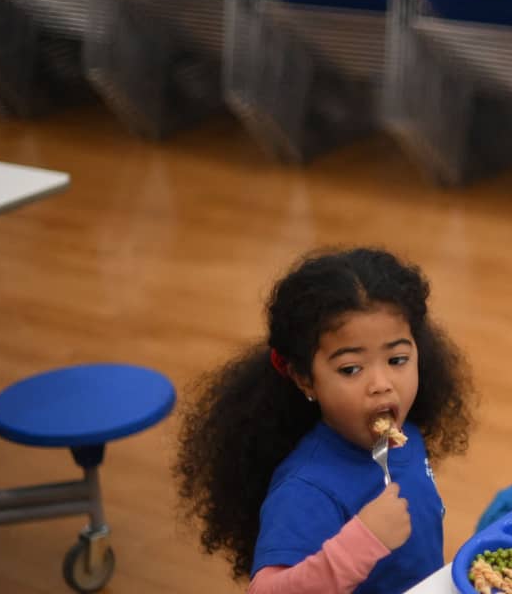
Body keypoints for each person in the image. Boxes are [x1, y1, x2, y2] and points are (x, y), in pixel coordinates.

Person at [175, 247, 474, 593]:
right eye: (351, 369)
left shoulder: (405, 434)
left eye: (397, 359)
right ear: (304, 378)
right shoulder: (307, 489)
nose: (381, 385)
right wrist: (362, 542)